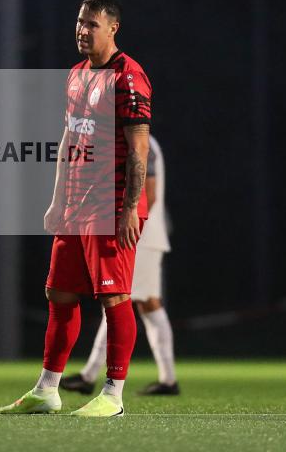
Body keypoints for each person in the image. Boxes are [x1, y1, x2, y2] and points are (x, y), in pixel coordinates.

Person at [0, 0, 151, 418]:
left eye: (92, 24)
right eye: (80, 22)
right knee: (59, 293)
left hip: (111, 206)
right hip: (76, 206)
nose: (82, 31)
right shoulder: (76, 75)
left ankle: (114, 396)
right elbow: (69, 140)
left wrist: (128, 211)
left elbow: (138, 150)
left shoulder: (129, 77)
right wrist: (56, 200)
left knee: (115, 298)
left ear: (113, 28)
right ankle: (47, 389)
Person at [60, 135, 179, 396]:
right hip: (146, 237)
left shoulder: (139, 142)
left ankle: (89, 375)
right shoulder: (139, 141)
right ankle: (168, 380)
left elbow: (149, 192)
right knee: (148, 304)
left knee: (116, 300)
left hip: (140, 238)